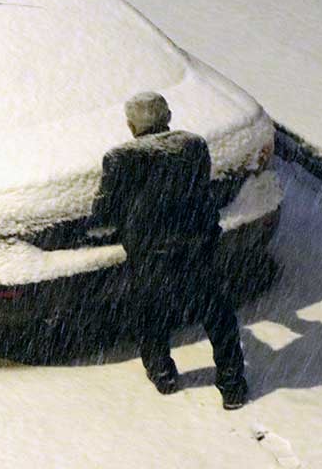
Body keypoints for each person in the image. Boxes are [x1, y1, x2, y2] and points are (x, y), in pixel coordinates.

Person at [92, 91, 249, 409]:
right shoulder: (193, 145)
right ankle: (232, 384)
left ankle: (163, 374)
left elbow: (103, 214)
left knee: (151, 314)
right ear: (168, 117)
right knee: (217, 315)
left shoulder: (120, 158)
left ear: (131, 126)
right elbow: (199, 190)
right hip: (197, 246)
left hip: (151, 254)